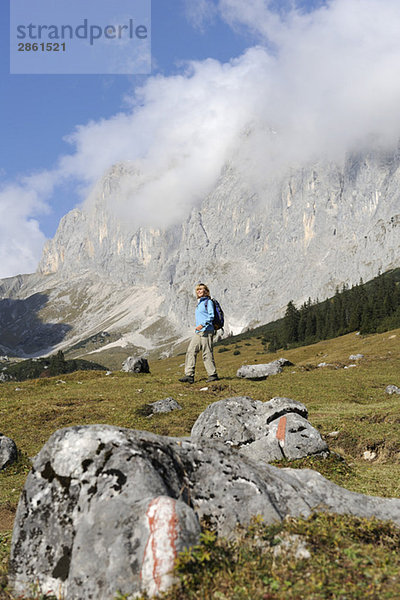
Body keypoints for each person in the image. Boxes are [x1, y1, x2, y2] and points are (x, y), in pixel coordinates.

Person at [179, 283, 219, 384]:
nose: (199, 291)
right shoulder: (200, 303)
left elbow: (211, 316)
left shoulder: (208, 302)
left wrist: (202, 325)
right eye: (197, 290)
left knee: (207, 352)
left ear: (206, 291)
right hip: (199, 332)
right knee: (191, 350)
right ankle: (189, 375)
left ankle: (213, 375)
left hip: (207, 330)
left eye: (201, 289)